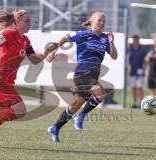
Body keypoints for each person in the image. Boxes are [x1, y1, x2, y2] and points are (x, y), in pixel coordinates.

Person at [0, 9, 57, 146]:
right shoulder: (10, 33)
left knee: (6, 115)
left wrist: (46, 53)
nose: (30, 24)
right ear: (17, 21)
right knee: (20, 111)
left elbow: (35, 60)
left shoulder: (25, 40)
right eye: (27, 21)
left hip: (7, 81)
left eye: (30, 21)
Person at [46, 11, 118, 143]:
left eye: (103, 21)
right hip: (82, 73)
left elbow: (114, 56)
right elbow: (64, 38)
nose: (101, 23)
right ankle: (81, 117)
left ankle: (55, 128)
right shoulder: (83, 34)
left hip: (93, 75)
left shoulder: (105, 38)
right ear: (91, 21)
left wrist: (112, 43)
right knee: (101, 94)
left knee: (76, 104)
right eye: (99, 20)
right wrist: (53, 51)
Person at [129, 35, 147, 108]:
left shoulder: (142, 50)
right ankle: (135, 103)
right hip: (132, 72)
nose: (135, 42)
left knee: (140, 88)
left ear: (138, 41)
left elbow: (144, 62)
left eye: (136, 41)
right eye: (133, 41)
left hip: (140, 72)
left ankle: (141, 104)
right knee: (133, 88)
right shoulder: (130, 49)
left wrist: (143, 71)